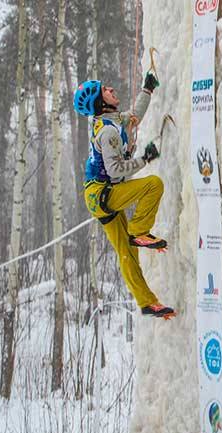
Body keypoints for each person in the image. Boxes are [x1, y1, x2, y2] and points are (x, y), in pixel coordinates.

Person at [73, 73, 175, 318]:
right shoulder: (107, 132)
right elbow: (115, 169)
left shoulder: (112, 120)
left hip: (98, 197)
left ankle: (147, 302)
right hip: (102, 193)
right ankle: (139, 231)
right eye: (105, 90)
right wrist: (145, 159)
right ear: (101, 102)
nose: (110, 88)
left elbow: (134, 116)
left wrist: (147, 90)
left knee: (126, 252)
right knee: (153, 184)